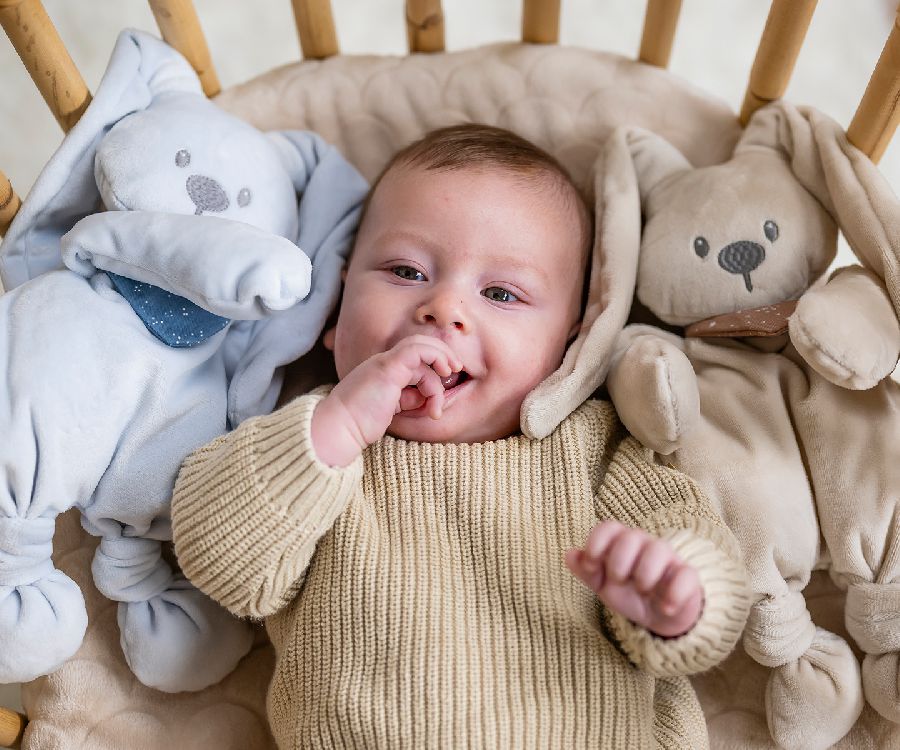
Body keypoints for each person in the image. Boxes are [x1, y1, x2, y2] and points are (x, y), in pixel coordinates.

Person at [171, 124, 750, 749]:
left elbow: (703, 544)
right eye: (404, 270)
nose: (443, 307)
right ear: (334, 314)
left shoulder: (593, 448)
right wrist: (336, 426)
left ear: (570, 345)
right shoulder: (312, 445)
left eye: (501, 293)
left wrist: (679, 598)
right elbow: (215, 554)